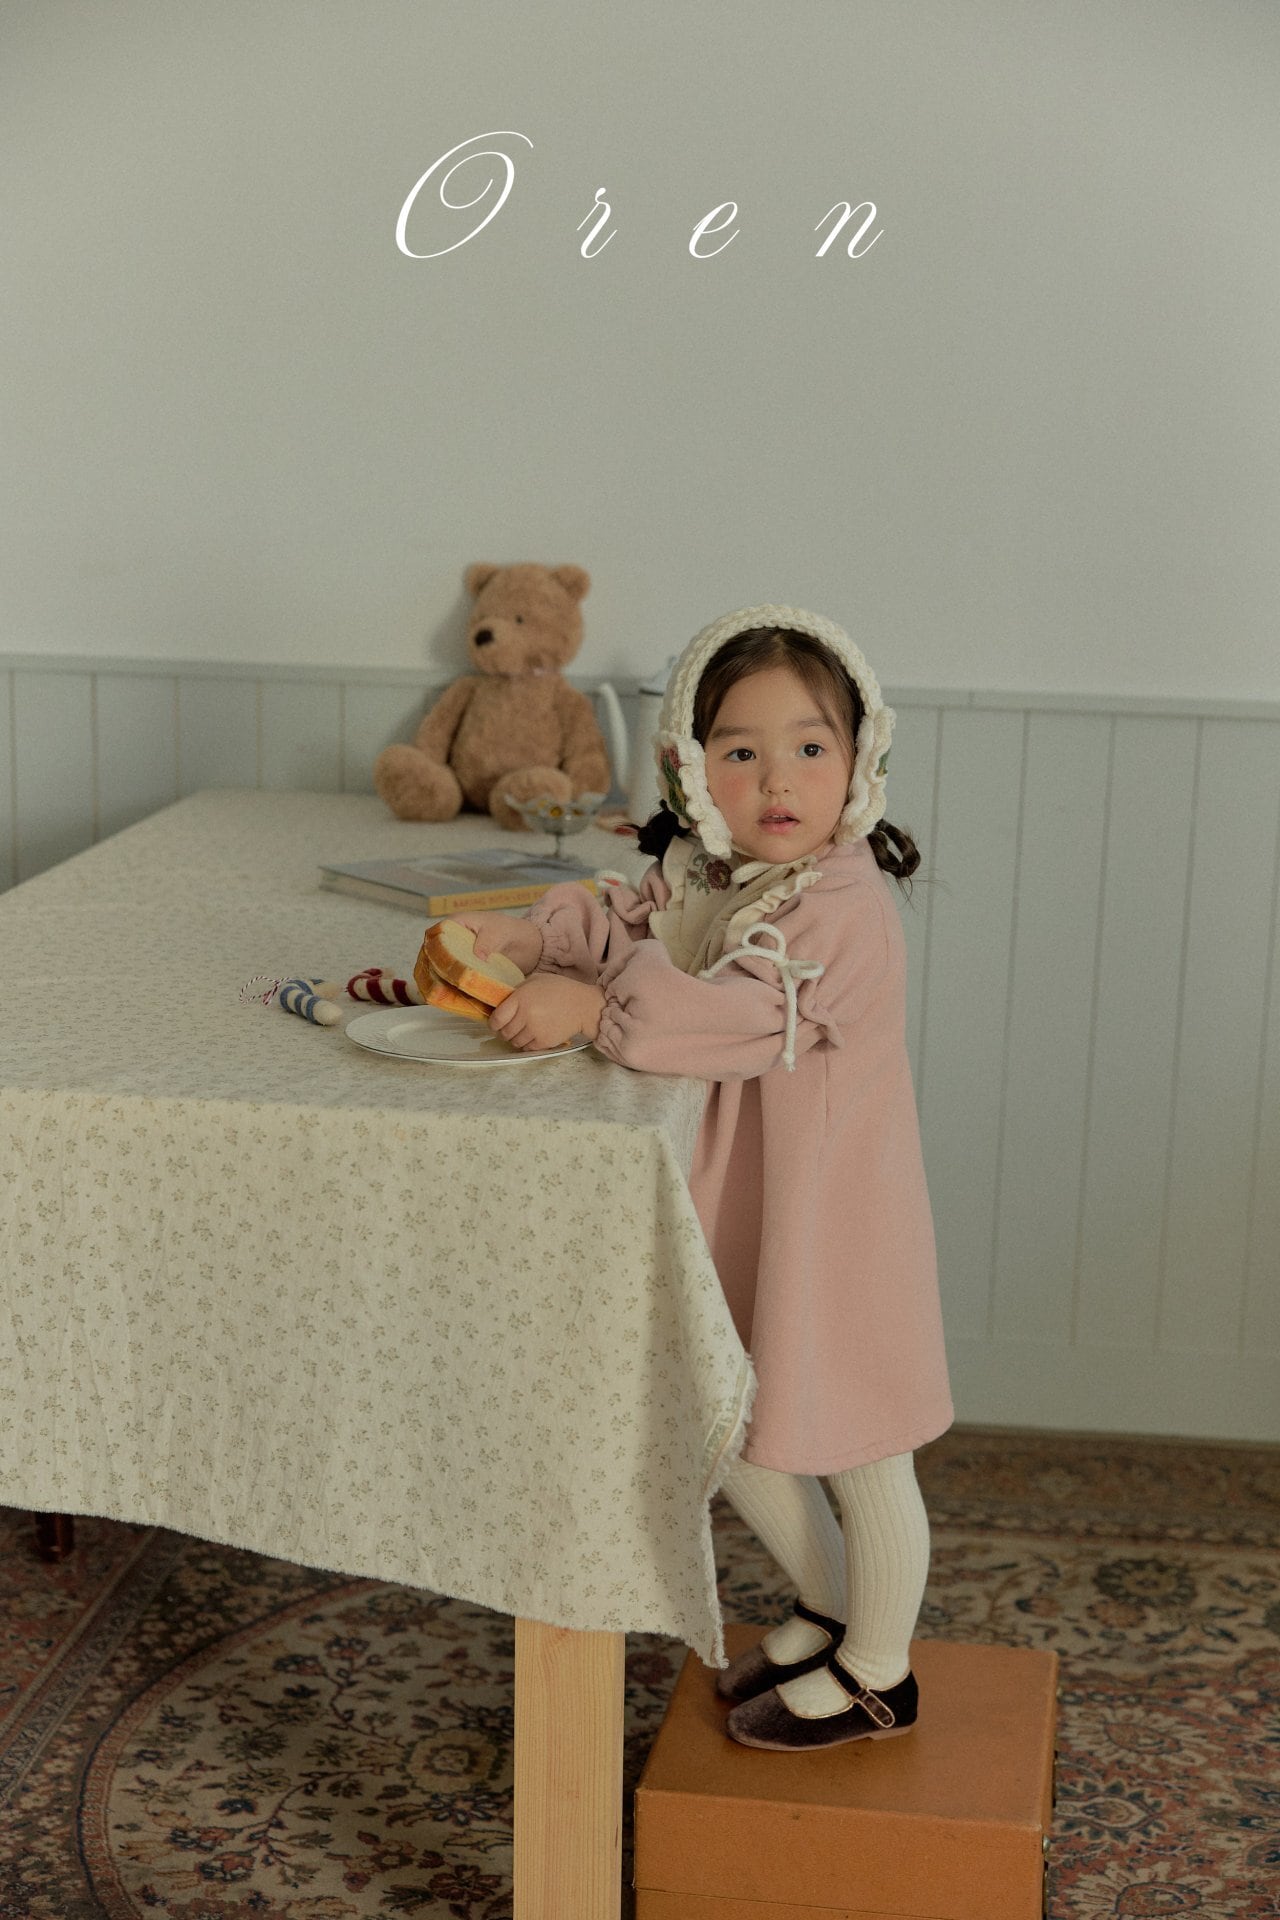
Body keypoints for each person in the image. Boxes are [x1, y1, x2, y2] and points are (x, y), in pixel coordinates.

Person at [453, 603, 953, 1752]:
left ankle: (880, 1671)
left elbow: (726, 1017)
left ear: (857, 761)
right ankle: (827, 1604)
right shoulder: (712, 870)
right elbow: (642, 923)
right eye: (739, 750)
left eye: (808, 747)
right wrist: (539, 942)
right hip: (746, 1205)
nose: (775, 779)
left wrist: (595, 1011)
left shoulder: (840, 910)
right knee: (729, 1420)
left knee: (860, 1443)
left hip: (835, 1224)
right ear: (691, 768)